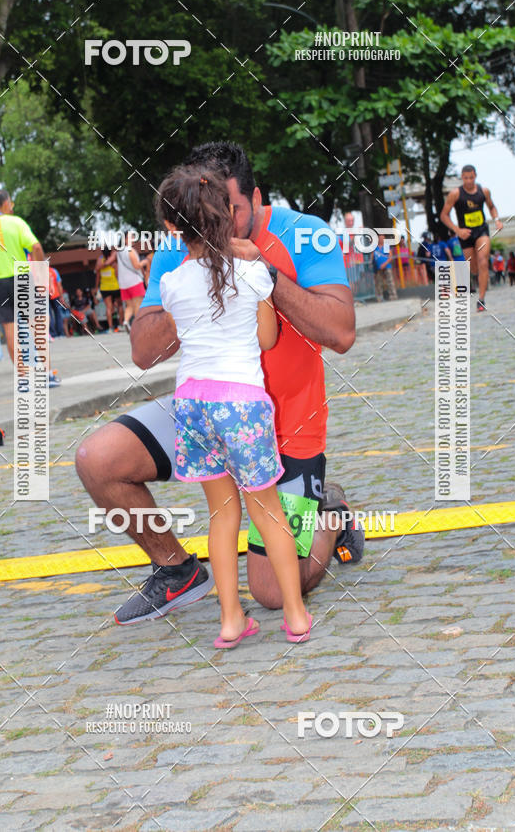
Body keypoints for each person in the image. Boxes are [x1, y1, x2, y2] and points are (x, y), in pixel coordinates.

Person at [76, 141, 362, 625]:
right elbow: (143, 352)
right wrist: (204, 277)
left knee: (271, 592)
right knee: (96, 460)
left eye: (233, 212)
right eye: (211, 215)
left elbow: (342, 332)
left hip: (288, 421)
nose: (223, 226)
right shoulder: (181, 250)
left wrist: (262, 274)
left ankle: (330, 514)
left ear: (256, 196)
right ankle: (177, 571)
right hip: (207, 406)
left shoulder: (305, 233)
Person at [157, 165, 311, 646]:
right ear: (227, 214)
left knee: (223, 516)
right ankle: (296, 616)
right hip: (241, 404)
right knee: (269, 514)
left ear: (170, 227)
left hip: (192, 403)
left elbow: (185, 339)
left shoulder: (171, 284)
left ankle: (230, 620)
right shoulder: (251, 273)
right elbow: (267, 339)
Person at [0, 189, 61, 386]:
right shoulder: (17, 223)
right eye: (10, 202)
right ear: (5, 204)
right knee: (37, 326)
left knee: (11, 331)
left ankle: (23, 379)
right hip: (22, 276)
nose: (12, 206)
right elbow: (36, 247)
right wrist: (40, 274)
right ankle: (47, 375)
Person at [441, 164, 503, 312]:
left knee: (483, 261)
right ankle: (479, 277)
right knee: (474, 268)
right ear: (462, 178)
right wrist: (457, 230)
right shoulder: (455, 194)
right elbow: (444, 215)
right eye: (466, 178)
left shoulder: (484, 191)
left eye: (471, 177)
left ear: (475, 176)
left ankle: (481, 300)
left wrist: (497, 220)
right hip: (465, 235)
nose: (469, 181)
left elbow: (491, 207)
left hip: (481, 231)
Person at [116, 236, 148, 332]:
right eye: (131, 237)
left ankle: (126, 322)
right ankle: (138, 325)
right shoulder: (130, 250)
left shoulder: (119, 252)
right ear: (125, 239)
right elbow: (136, 266)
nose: (133, 238)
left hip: (123, 283)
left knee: (130, 305)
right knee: (138, 304)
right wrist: (145, 261)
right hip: (134, 281)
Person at [94, 247, 122, 332]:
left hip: (104, 288)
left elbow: (97, 276)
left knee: (108, 308)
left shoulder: (100, 263)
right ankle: (120, 325)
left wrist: (96, 287)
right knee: (120, 306)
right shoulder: (114, 263)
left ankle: (110, 327)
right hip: (115, 287)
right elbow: (117, 275)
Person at [373, 234, 398, 301]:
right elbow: (372, 257)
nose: (381, 240)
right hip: (378, 268)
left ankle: (393, 295)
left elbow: (390, 257)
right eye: (380, 238)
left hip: (387, 266)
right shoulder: (375, 247)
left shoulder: (386, 246)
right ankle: (380, 297)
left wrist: (384, 264)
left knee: (390, 281)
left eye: (382, 238)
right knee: (378, 282)